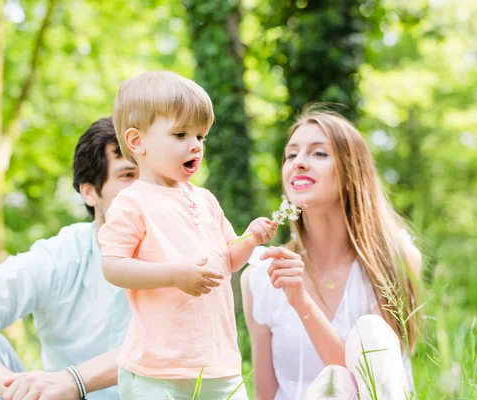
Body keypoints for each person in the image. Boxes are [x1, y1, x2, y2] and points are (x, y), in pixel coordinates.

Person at [0, 117, 139, 400]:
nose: (144, 190)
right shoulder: (62, 256)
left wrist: (75, 381)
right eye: (128, 176)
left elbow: (171, 347)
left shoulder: (185, 256)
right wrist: (15, 391)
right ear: (90, 192)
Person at [97, 71, 278, 400]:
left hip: (217, 362)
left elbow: (228, 261)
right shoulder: (133, 202)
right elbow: (113, 266)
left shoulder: (205, 199)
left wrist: (250, 238)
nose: (194, 144)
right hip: (159, 371)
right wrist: (172, 274)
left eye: (201, 136)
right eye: (180, 134)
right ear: (137, 142)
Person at [241, 106, 423, 400]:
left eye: (319, 153)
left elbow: (368, 381)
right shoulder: (261, 277)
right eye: (291, 155)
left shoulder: (394, 261)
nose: (299, 163)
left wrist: (300, 300)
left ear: (352, 171)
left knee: (361, 347)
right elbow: (265, 394)